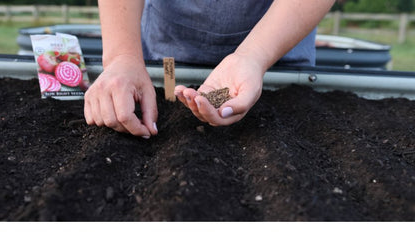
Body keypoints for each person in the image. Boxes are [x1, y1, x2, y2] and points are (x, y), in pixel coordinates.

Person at [84, 0, 334, 136]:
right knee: (169, 95)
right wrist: (122, 56)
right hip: (170, 51)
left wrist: (254, 56)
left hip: (278, 49)